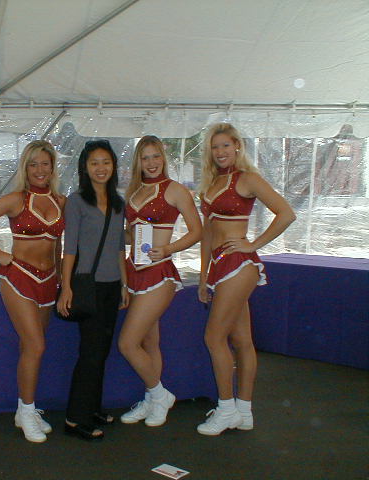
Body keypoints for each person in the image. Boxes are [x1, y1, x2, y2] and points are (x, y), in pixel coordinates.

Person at [0, 140, 65, 443]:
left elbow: (58, 245)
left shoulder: (62, 201)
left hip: (49, 280)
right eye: (33, 164)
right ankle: (27, 410)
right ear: (25, 168)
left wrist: (61, 278)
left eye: (44, 163)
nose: (39, 170)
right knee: (36, 346)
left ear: (52, 167)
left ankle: (25, 410)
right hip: (19, 277)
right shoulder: (16, 199)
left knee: (31, 346)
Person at [197, 123, 295, 435]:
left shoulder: (247, 178)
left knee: (214, 338)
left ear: (237, 146)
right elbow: (207, 232)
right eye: (215, 147)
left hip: (239, 264)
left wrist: (253, 244)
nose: (220, 152)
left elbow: (286, 213)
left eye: (226, 145)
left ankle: (227, 409)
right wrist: (203, 275)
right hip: (219, 266)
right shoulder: (212, 182)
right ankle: (244, 411)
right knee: (241, 340)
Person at [118, 135, 202, 427]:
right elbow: (130, 235)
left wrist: (168, 249)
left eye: (156, 156)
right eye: (145, 158)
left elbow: (197, 231)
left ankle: (160, 394)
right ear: (138, 162)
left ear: (164, 158)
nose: (151, 163)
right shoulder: (133, 191)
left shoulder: (175, 190)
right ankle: (152, 399)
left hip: (159, 272)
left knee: (127, 343)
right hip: (133, 272)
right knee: (149, 341)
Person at [56, 140, 129, 441]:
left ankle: (92, 408)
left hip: (112, 286)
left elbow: (119, 248)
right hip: (88, 286)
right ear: (84, 167)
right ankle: (75, 419)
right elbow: (69, 248)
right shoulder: (76, 201)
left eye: (106, 162)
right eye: (94, 163)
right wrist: (66, 287)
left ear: (114, 166)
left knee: (101, 352)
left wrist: (124, 284)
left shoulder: (118, 203)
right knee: (90, 353)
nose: (101, 168)